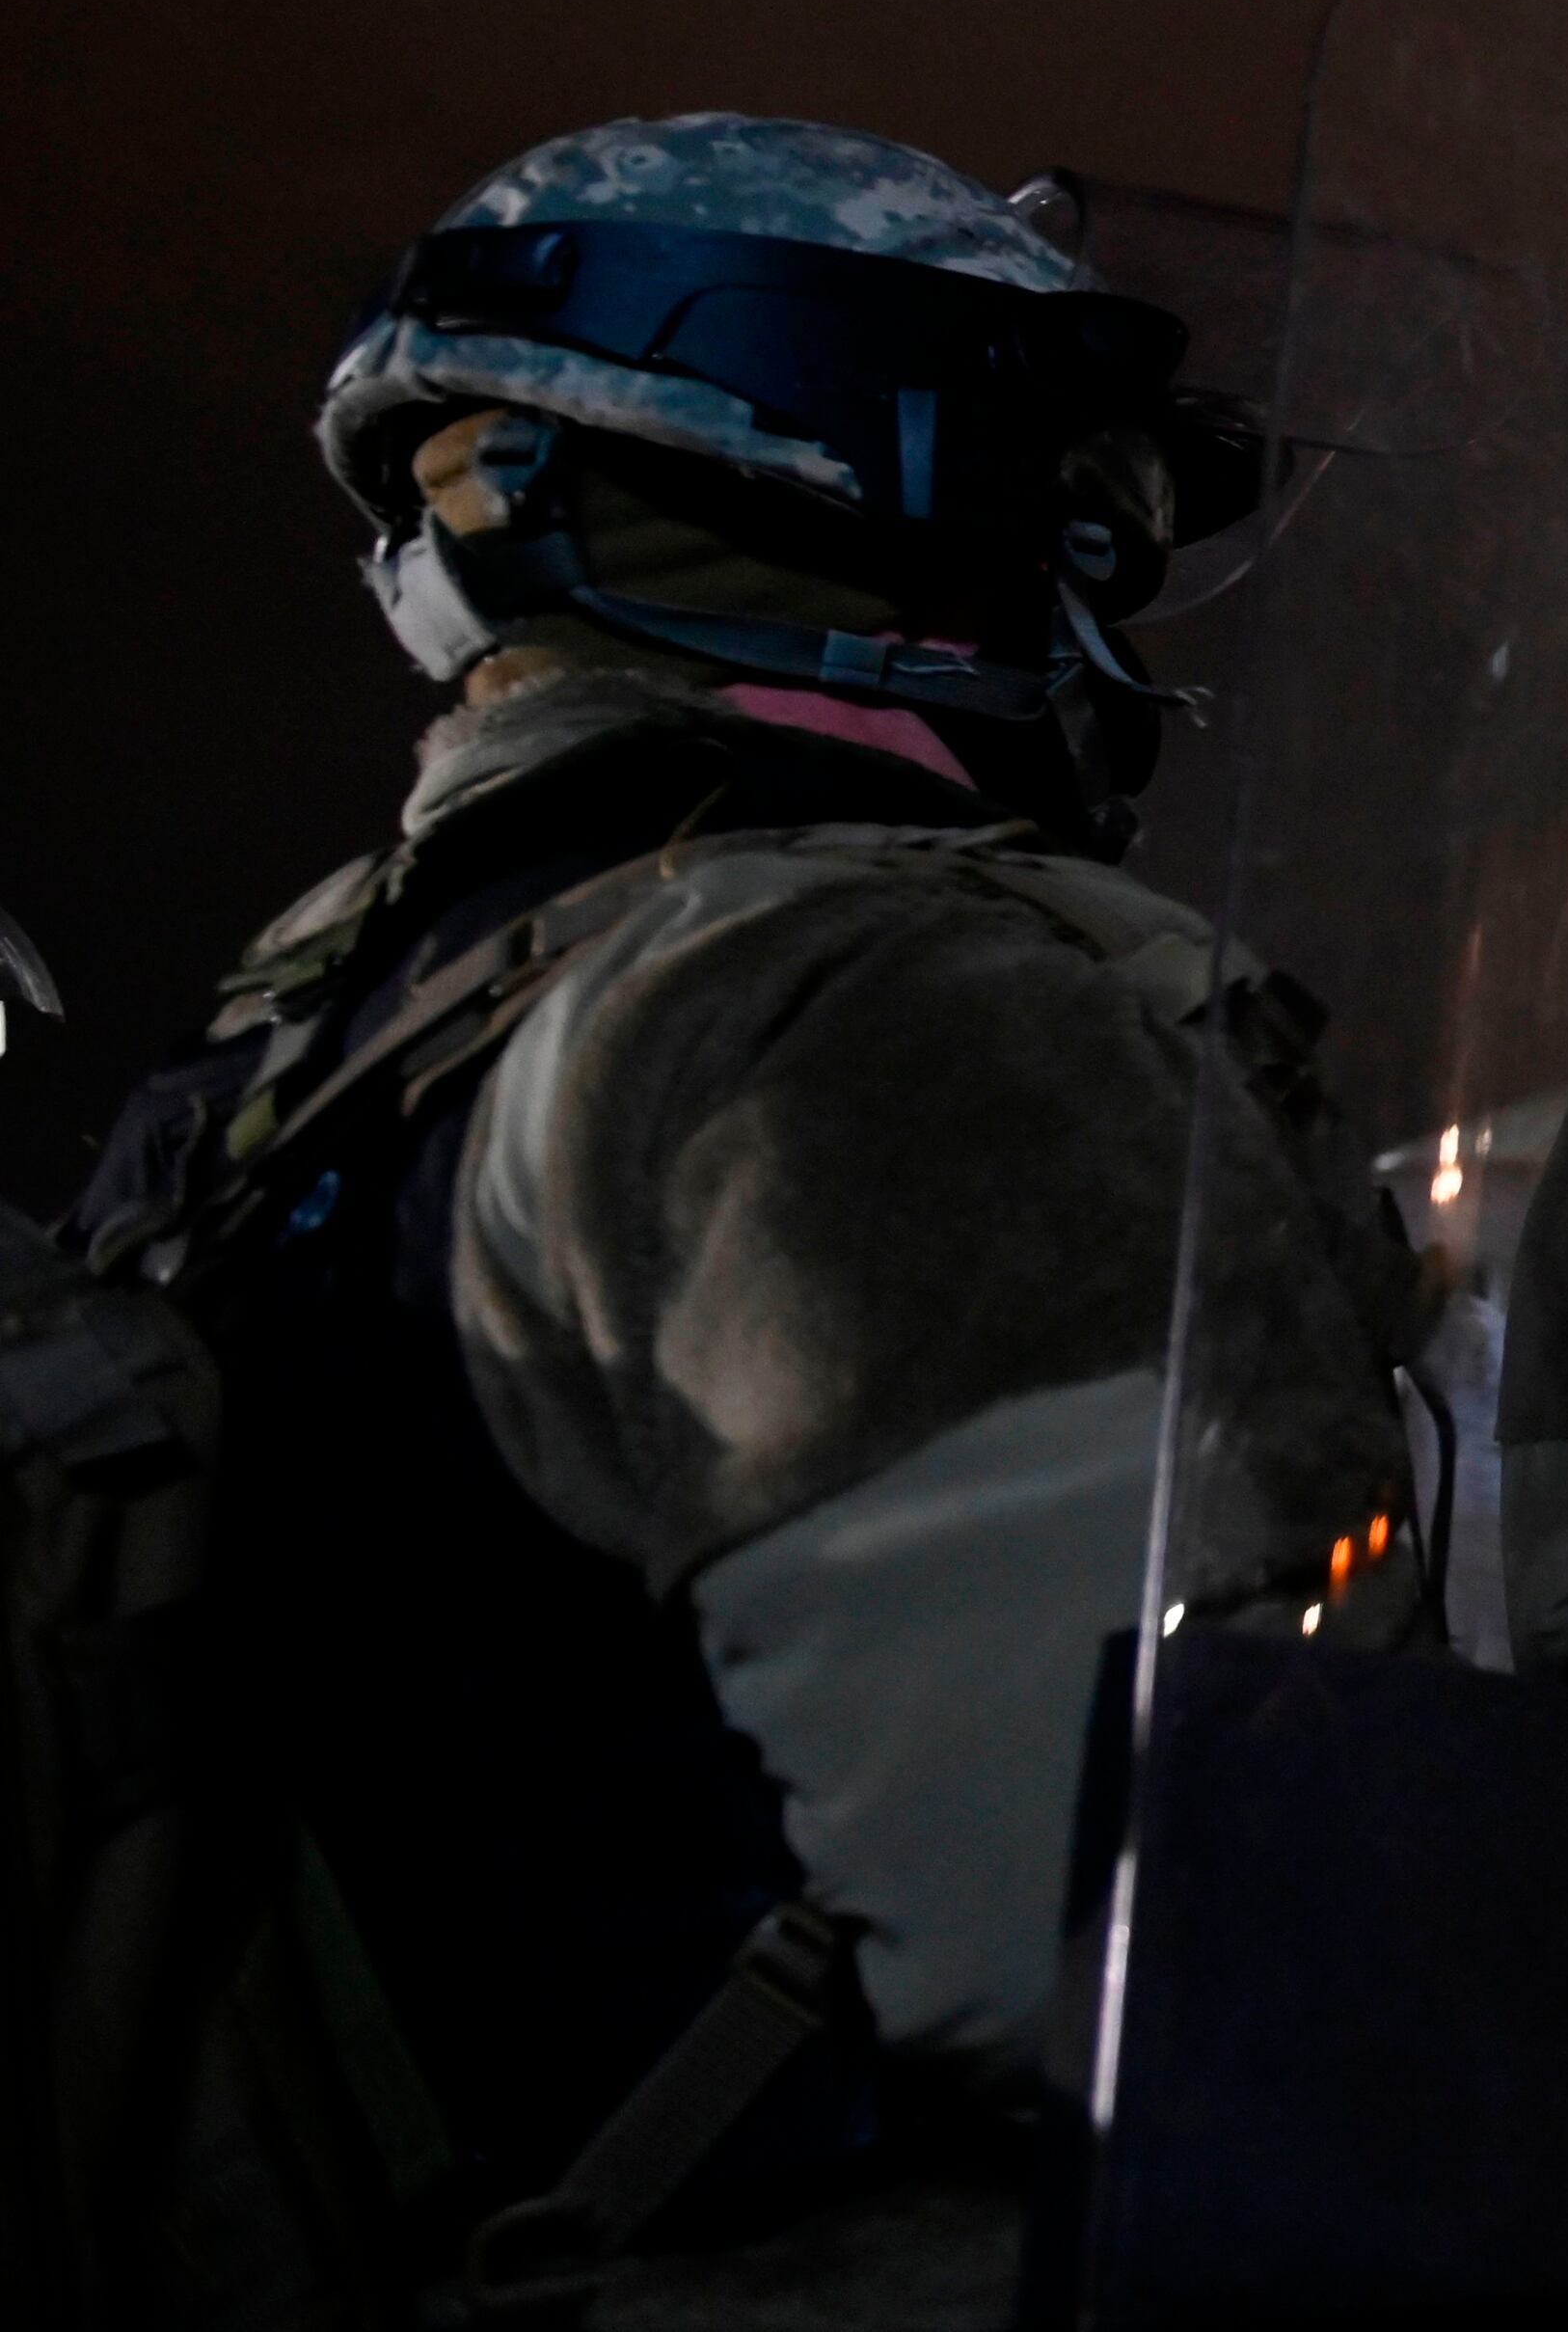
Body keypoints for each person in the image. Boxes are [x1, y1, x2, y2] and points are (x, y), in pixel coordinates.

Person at [33, 118, 1420, 2326]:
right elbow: (1212, 1977)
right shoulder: (856, 1004)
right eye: (1083, 528)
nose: (1100, 612)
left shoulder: (296, 1064)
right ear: (903, 485)